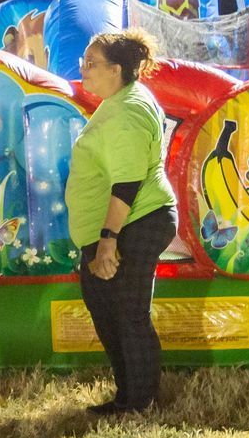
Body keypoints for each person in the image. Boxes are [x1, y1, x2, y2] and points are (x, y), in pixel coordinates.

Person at [66, 29, 179, 415]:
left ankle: (139, 401)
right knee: (106, 306)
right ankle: (129, 395)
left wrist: (108, 239)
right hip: (127, 223)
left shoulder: (127, 110)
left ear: (116, 69)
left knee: (128, 312)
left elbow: (127, 181)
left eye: (91, 63)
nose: (83, 69)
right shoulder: (120, 102)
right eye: (83, 62)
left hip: (136, 221)